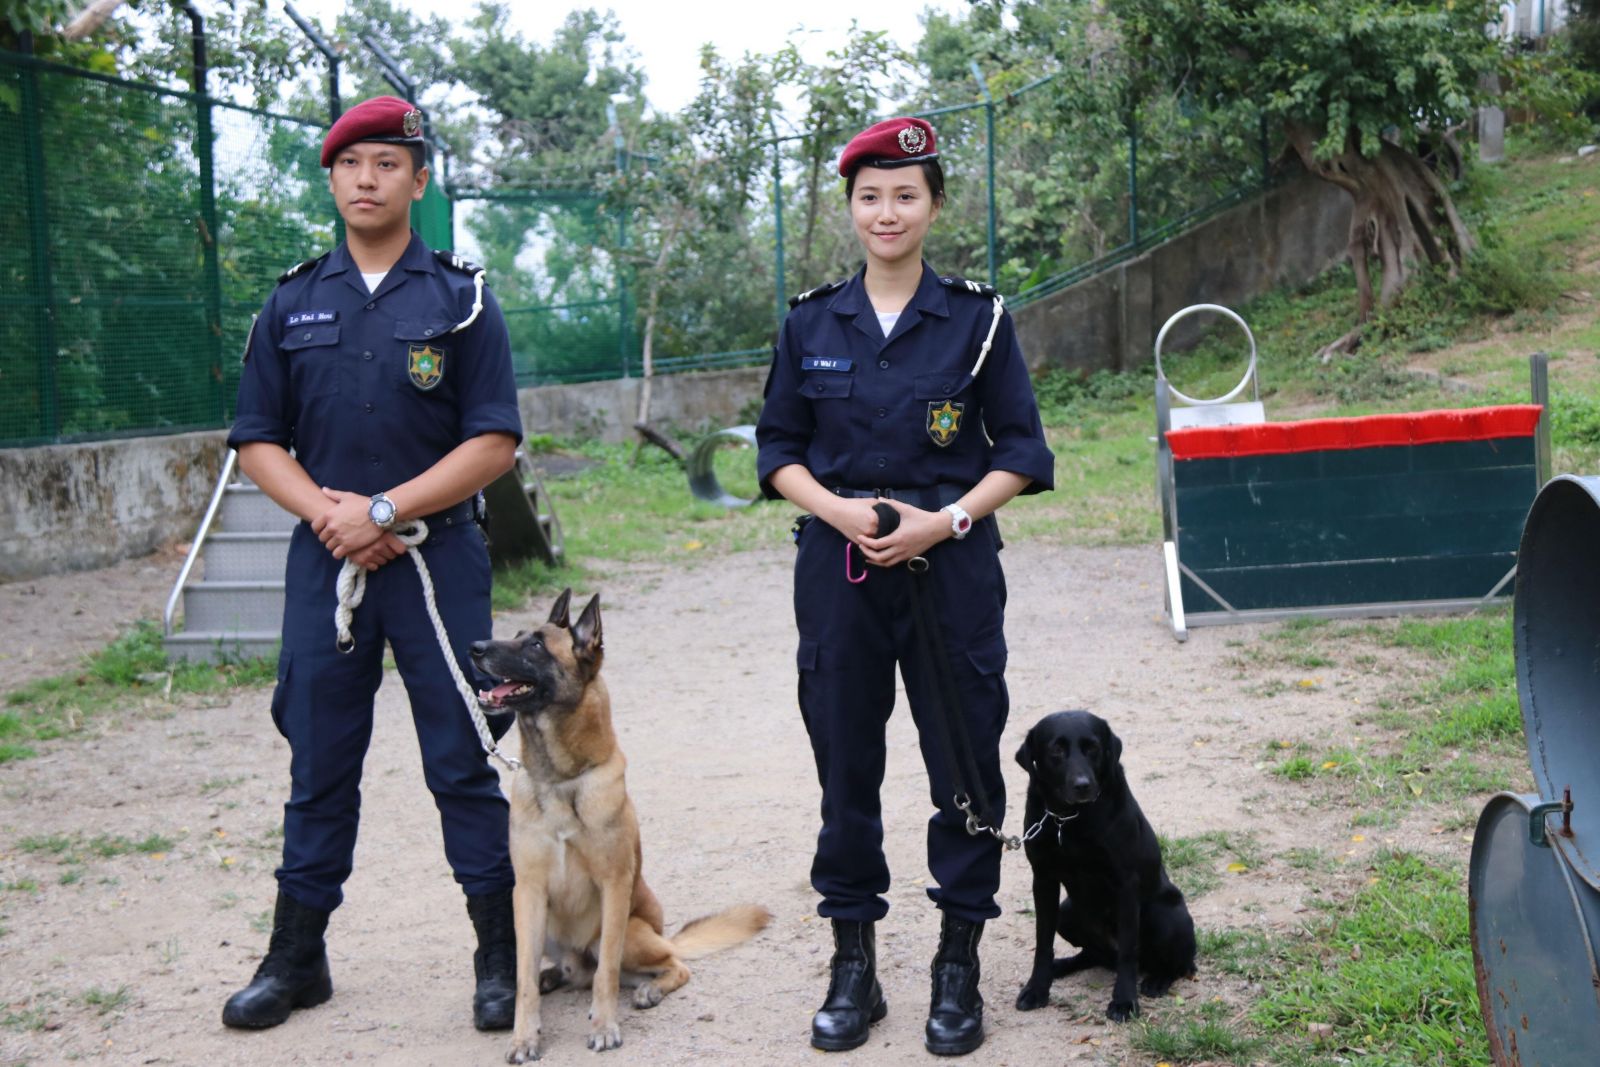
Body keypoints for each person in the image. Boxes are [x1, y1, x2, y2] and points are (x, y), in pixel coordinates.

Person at [221, 95, 523, 1033]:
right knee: (318, 760)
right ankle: (296, 957)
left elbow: (495, 441)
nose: (366, 179)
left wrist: (388, 510)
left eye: (387, 164)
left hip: (441, 561)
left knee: (464, 758)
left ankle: (499, 955)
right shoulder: (292, 299)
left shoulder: (463, 299)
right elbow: (256, 439)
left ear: (418, 181)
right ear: (331, 179)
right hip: (327, 561)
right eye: (350, 164)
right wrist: (335, 517)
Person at [756, 116, 1055, 1057]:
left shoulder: (978, 320)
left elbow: (1022, 451)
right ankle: (855, 966)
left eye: (905, 194)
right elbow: (777, 451)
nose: (887, 211)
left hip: (952, 568)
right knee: (846, 765)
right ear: (850, 208)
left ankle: (956, 966)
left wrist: (947, 519)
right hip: (838, 571)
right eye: (869, 195)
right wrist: (838, 510)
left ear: (932, 206)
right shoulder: (811, 321)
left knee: (963, 761)